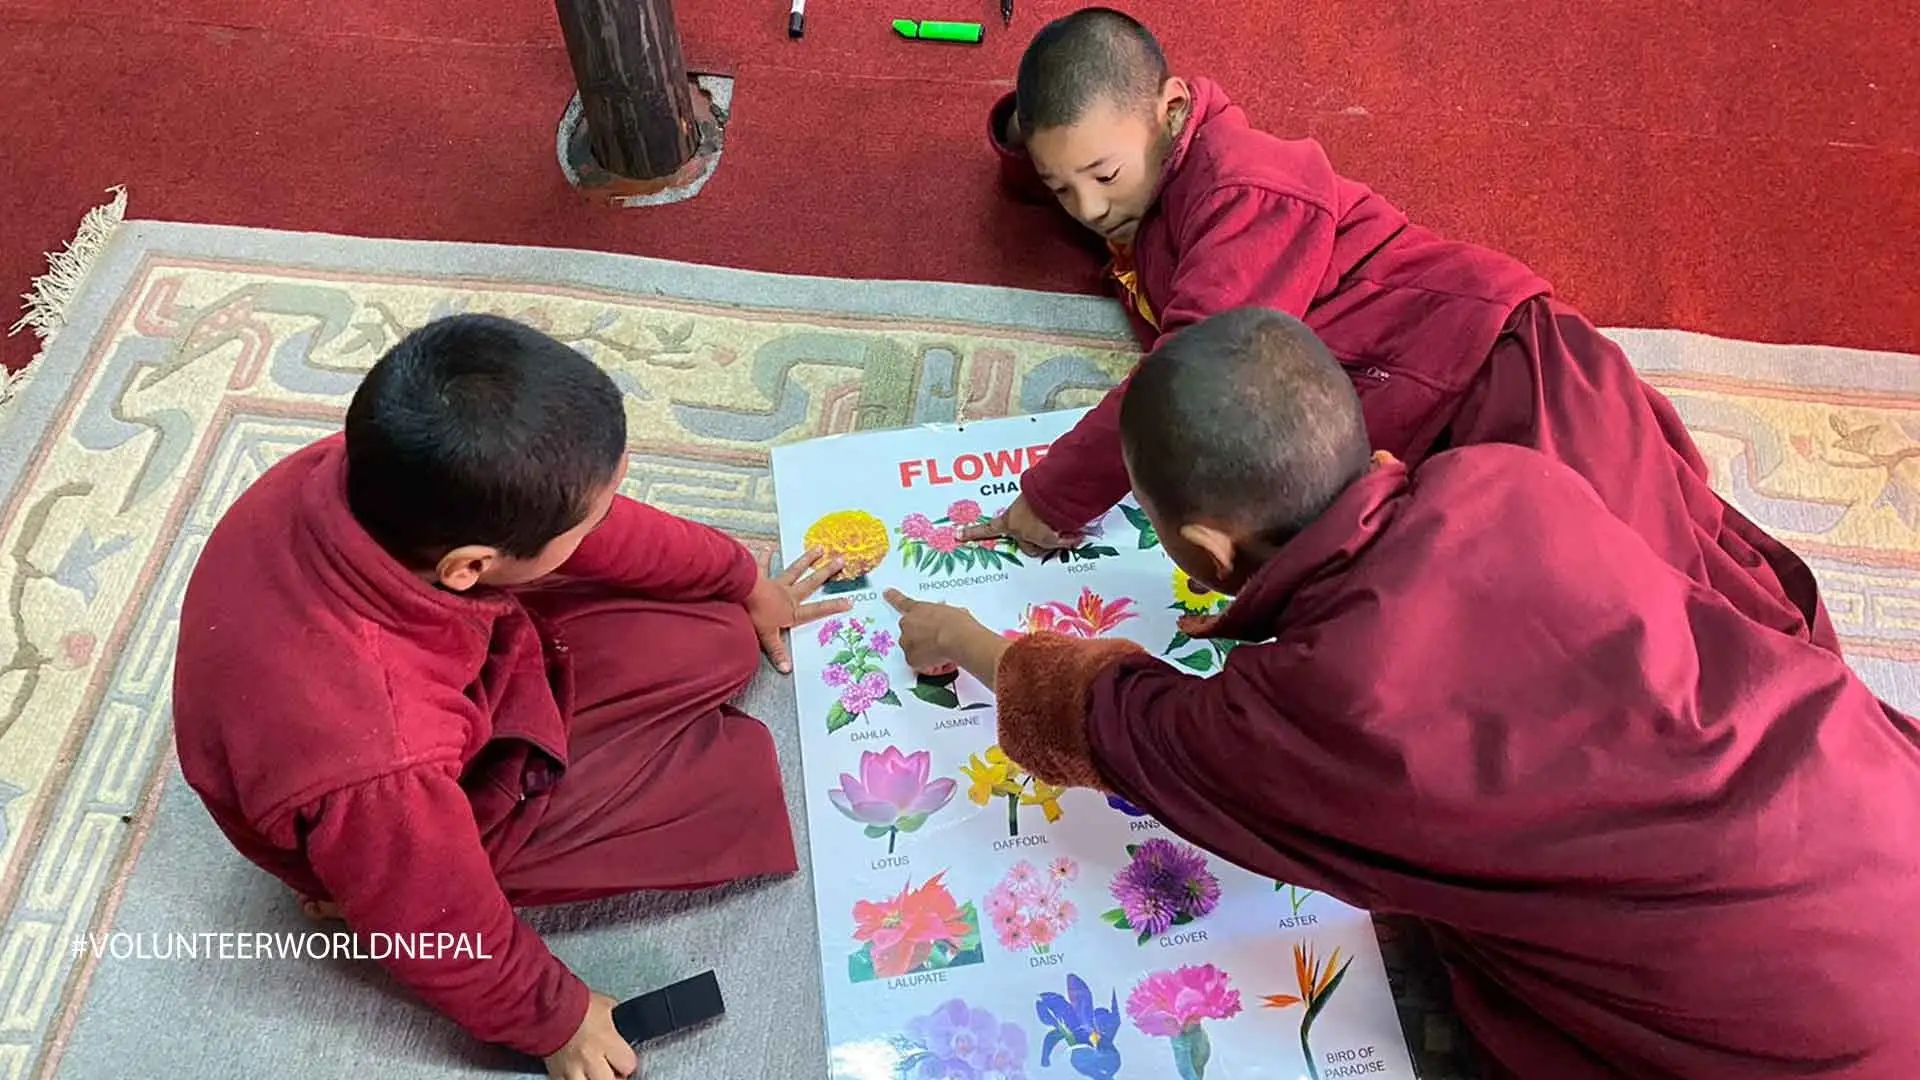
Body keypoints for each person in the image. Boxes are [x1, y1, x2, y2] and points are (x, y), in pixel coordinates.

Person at [885, 308, 1920, 1080]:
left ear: (1201, 549)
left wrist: (973, 639)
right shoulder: (1505, 477)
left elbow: (1128, 725)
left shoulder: (1318, 702)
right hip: (1878, 802)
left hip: (1821, 1034)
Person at [977, 7, 1836, 655]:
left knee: (1671, 619)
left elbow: (1187, 372)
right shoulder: (1140, 169)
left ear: (1171, 111)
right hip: (1417, 431)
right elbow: (1074, 147)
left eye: (1102, 176)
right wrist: (1035, 143)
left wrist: (1055, 498)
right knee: (1518, 638)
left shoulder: (1247, 189)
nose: (1090, 210)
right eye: (1062, 189)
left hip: (1503, 368)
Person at [171, 314, 848, 1080]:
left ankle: (372, 862)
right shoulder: (379, 764)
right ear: (470, 567)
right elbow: (434, 919)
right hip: (387, 797)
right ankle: (347, 889)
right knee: (725, 798)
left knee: (719, 633)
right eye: (585, 519)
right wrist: (554, 1020)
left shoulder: (370, 473)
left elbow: (606, 535)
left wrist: (740, 578)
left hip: (438, 676)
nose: (601, 522)